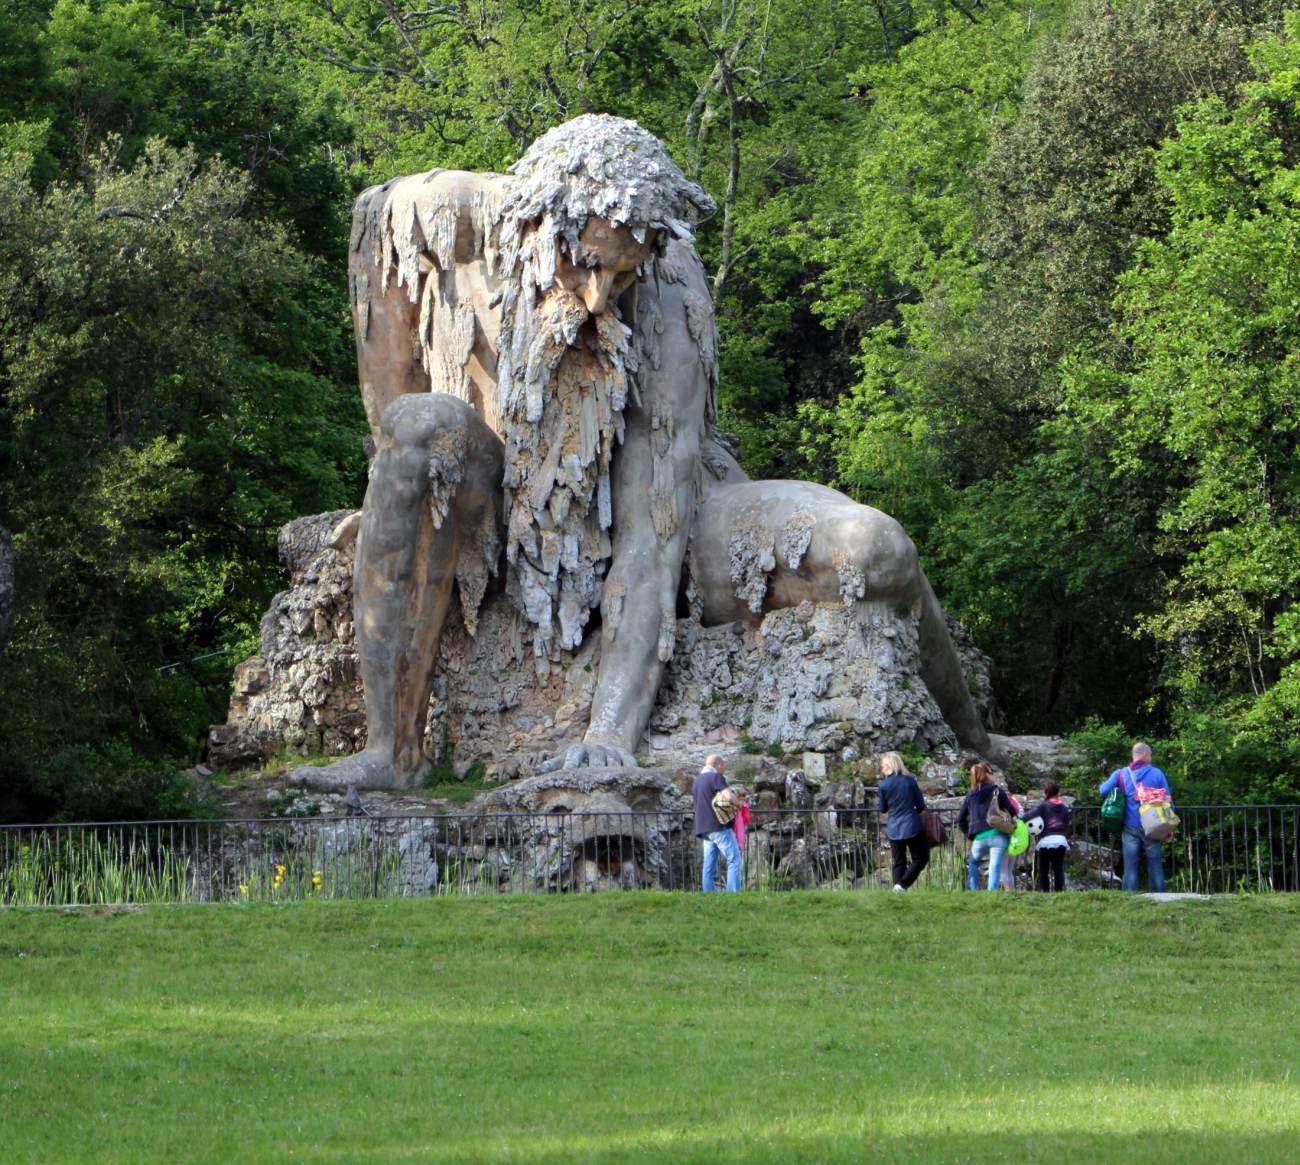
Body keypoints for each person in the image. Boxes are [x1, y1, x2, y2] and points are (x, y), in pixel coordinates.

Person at [291, 113, 995, 792]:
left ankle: (980, 744)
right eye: (589, 265)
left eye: (622, 276)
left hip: (688, 517)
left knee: (872, 548)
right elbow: (389, 422)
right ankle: (391, 751)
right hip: (502, 497)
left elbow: (649, 538)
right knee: (420, 428)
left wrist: (608, 735)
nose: (601, 298)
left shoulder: (668, 290)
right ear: (541, 229)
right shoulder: (430, 220)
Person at [1099, 742, 1175, 892]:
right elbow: (1168, 800)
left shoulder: (1121, 774)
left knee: (1130, 865)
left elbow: (1102, 790)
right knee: (1155, 864)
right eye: (1150, 755)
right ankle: (1160, 897)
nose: (1151, 758)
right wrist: (1168, 826)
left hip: (1130, 826)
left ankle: (1129, 897)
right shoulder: (1157, 773)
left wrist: (1119, 790)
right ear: (1145, 755)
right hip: (1153, 826)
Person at [957, 762, 1016, 891]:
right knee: (995, 866)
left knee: (973, 863)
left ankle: (974, 891)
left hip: (979, 837)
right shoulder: (997, 790)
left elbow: (960, 819)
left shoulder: (970, 796)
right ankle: (992, 894)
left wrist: (969, 834)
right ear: (987, 774)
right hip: (998, 835)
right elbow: (1012, 811)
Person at [877, 751, 929, 892]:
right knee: (921, 857)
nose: (881, 770)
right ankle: (902, 885)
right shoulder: (909, 780)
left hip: (894, 827)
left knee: (898, 861)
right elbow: (920, 805)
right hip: (912, 825)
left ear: (888, 767)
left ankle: (897, 888)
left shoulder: (883, 786)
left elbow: (882, 809)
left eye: (882, 767)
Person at [693, 753, 742, 893]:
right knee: (734, 860)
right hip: (718, 827)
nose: (724, 769)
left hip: (703, 829)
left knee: (709, 866)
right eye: (723, 766)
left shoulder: (697, 781)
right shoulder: (715, 777)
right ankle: (733, 894)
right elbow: (728, 796)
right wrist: (739, 802)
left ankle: (709, 895)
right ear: (718, 765)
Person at [1021, 780, 1072, 891]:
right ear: (1058, 792)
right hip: (1060, 840)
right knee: (1058, 868)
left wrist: (1017, 821)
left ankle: (1045, 892)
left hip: (1046, 841)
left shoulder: (1043, 805)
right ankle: (1058, 892)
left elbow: (1030, 815)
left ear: (1046, 793)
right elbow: (1067, 825)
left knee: (1043, 869)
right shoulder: (1064, 808)